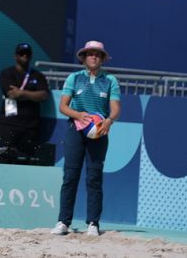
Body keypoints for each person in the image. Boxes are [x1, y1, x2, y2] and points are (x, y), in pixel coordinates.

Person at [51, 40, 120, 238]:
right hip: (76, 130)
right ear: (83, 57)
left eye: (98, 54)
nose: (94, 57)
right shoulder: (74, 78)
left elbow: (115, 108)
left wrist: (109, 120)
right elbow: (63, 106)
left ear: (102, 58)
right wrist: (78, 115)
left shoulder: (110, 80)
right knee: (70, 176)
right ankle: (63, 221)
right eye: (90, 53)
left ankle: (93, 224)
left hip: (99, 133)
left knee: (94, 178)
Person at [0, 43, 49, 156]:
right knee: (5, 159)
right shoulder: (7, 73)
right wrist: (33, 95)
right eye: (21, 53)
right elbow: (13, 94)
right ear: (15, 56)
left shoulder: (38, 76)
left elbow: (44, 96)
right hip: (8, 125)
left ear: (31, 56)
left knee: (27, 161)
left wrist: (22, 92)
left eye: (27, 54)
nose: (24, 56)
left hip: (30, 127)